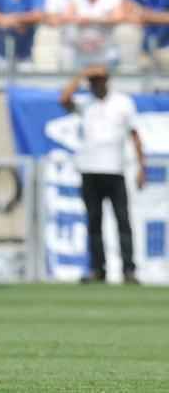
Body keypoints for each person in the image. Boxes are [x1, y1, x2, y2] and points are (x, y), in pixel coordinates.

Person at [58, 66, 145, 284]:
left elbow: (135, 135)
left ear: (107, 81)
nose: (97, 84)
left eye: (100, 80)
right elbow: (64, 99)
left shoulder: (123, 103)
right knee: (94, 222)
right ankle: (98, 269)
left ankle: (129, 270)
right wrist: (80, 75)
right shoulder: (86, 104)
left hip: (115, 170)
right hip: (89, 169)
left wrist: (142, 167)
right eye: (93, 81)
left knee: (122, 221)